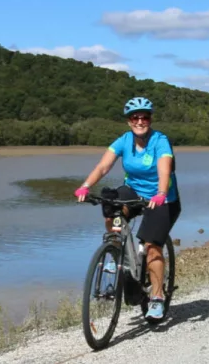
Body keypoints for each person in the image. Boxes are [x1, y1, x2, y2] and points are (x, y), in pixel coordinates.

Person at [74, 96, 181, 323]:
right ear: (129, 121)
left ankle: (157, 297)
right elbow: (103, 166)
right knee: (110, 202)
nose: (140, 121)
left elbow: (164, 168)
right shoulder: (124, 141)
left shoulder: (160, 140)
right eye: (135, 117)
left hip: (162, 198)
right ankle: (116, 248)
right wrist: (85, 186)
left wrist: (161, 193)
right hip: (133, 192)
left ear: (150, 119)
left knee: (152, 247)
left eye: (145, 117)